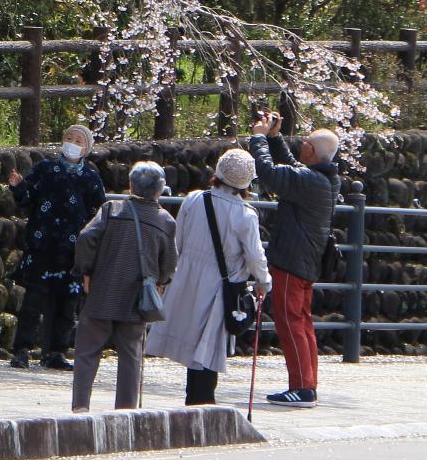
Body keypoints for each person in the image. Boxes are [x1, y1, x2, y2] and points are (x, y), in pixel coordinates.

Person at [156, 147, 271, 404]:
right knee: (207, 348)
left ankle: (195, 400)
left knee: (194, 345)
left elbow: (179, 242)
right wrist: (263, 281)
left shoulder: (195, 199)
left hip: (189, 279)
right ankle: (202, 402)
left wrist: (173, 275)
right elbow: (255, 255)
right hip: (221, 286)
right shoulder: (244, 214)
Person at [248, 111, 340, 407]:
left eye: (305, 143)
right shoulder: (324, 178)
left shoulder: (309, 181)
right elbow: (292, 167)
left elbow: (270, 173)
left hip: (291, 261)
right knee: (302, 324)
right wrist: (275, 139)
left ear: (312, 151)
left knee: (290, 324)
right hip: (306, 262)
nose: (301, 145)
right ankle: (306, 385)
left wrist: (259, 138)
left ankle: (301, 388)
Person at [70, 161, 176, 412]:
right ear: (159, 191)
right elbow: (170, 262)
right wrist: (161, 282)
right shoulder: (165, 221)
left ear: (130, 185)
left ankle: (80, 407)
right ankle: (126, 411)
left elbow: (86, 237)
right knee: (131, 355)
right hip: (137, 297)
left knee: (87, 351)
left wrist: (86, 271)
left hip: (103, 290)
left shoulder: (111, 209)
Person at [10, 123, 106, 371]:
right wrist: (18, 186)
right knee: (33, 299)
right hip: (42, 243)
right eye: (68, 137)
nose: (72, 143)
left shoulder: (91, 178)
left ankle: (57, 351)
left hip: (73, 250)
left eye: (78, 140)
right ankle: (22, 349)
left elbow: (98, 213)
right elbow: (27, 198)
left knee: (68, 303)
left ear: (86, 148)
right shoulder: (45, 168)